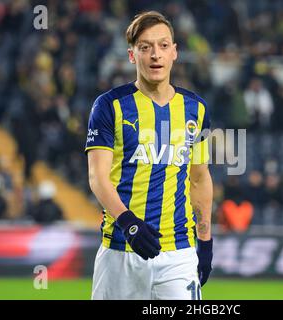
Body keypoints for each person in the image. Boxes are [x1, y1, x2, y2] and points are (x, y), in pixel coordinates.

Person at [85, 11, 213, 300]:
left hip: (178, 253)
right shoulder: (108, 106)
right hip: (120, 251)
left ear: (175, 52)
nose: (156, 54)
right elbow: (97, 177)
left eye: (163, 45)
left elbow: (200, 178)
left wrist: (205, 242)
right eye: (145, 47)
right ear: (132, 55)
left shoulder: (197, 109)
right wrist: (128, 222)